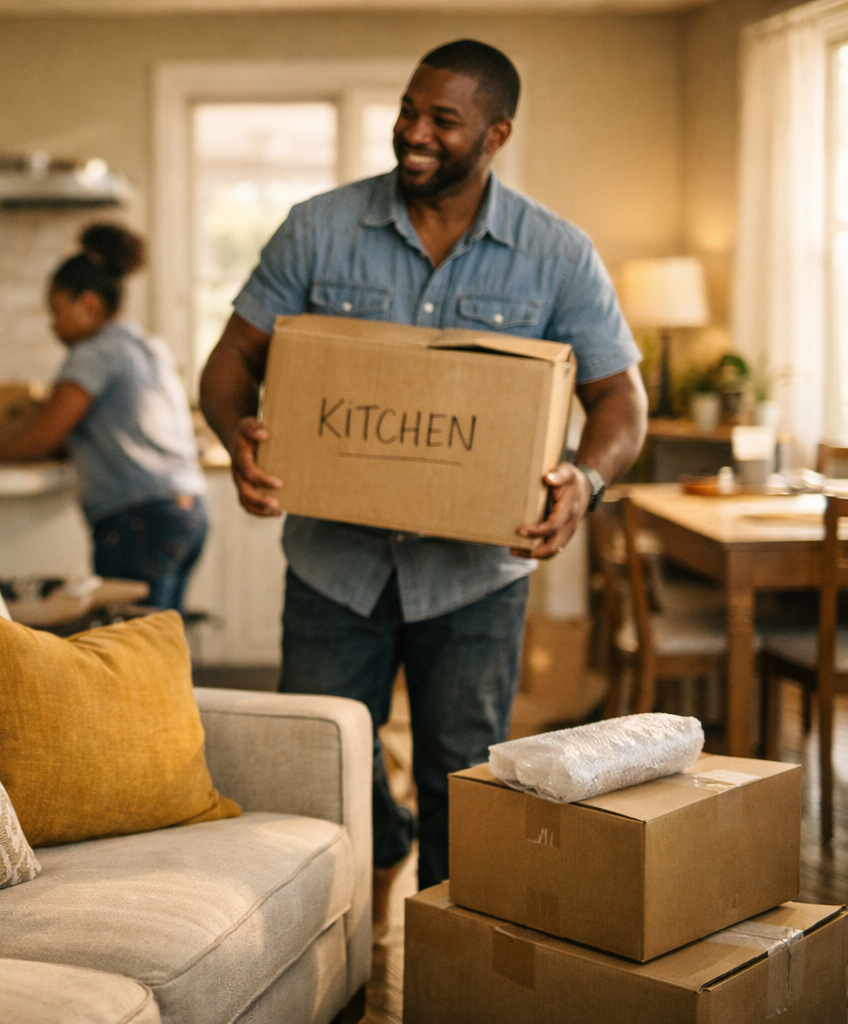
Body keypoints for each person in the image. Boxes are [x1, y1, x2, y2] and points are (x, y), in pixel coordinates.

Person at [199, 40, 648, 921]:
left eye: (443, 119)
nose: (414, 132)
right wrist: (236, 433)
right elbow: (231, 361)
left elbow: (620, 399)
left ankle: (455, 958)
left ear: (496, 134)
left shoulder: (557, 254)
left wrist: (586, 480)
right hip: (334, 567)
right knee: (322, 766)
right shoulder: (318, 228)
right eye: (409, 109)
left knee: (465, 777)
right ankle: (349, 909)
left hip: (475, 578)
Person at [0, 224, 207, 612]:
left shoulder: (93, 353)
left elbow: (42, 439)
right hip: (188, 511)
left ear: (88, 304)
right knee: (161, 637)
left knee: (130, 640)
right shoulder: (146, 345)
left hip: (140, 520)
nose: (52, 325)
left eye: (57, 311)